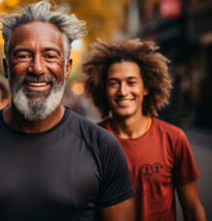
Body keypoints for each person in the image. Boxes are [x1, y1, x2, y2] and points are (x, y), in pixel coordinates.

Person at [0, 0, 136, 221]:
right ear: (6, 68)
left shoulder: (103, 147)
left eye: (50, 56)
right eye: (23, 55)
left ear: (67, 68)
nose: (37, 68)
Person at [83, 38, 206, 221]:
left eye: (131, 82)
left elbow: (193, 209)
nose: (123, 91)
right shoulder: (90, 141)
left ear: (146, 87)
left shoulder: (173, 138)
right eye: (114, 83)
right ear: (104, 89)